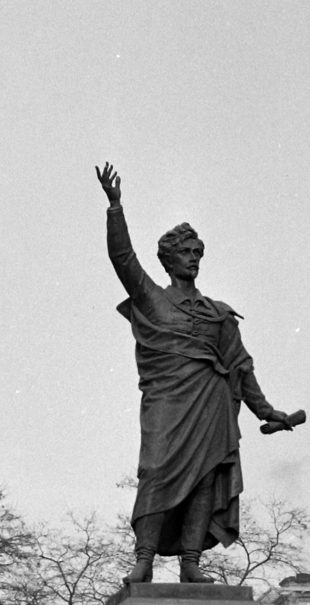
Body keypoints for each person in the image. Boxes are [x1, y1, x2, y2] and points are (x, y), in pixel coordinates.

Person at [96, 163, 297, 583]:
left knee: (206, 479)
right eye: (186, 253)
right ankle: (145, 559)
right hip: (167, 402)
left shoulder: (218, 314)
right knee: (155, 470)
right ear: (169, 260)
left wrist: (266, 411)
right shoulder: (153, 299)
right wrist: (116, 209)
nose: (193, 260)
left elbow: (241, 364)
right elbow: (122, 259)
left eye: (197, 254)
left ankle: (191, 562)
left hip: (211, 404)